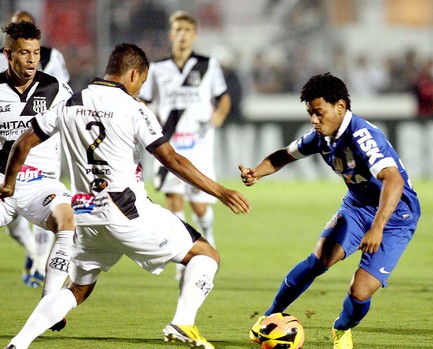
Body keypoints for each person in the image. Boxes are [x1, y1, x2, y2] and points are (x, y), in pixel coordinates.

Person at [2, 43, 251, 349]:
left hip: (85, 215)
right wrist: (221, 190)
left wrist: (9, 183)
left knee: (77, 289)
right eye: (141, 83)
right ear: (133, 74)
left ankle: (19, 343)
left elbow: (22, 143)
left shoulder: (69, 102)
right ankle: (182, 323)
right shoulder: (133, 108)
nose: (140, 90)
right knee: (206, 254)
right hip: (126, 210)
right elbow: (170, 158)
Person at [240, 73, 420, 349]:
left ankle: (342, 328)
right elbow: (284, 155)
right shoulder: (321, 137)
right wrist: (257, 173)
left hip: (395, 216)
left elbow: (393, 179)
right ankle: (269, 317)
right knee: (319, 259)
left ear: (341, 106)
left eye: (318, 113)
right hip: (357, 207)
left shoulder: (362, 136)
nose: (314, 120)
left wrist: (378, 227)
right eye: (310, 113)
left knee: (359, 293)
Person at [139, 12, 230, 277]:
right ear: (171, 34)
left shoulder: (207, 65)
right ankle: (184, 254)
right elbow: (142, 100)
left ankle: (208, 238)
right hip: (168, 144)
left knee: (200, 204)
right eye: (178, 30)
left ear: (194, 34)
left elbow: (223, 98)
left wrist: (220, 115)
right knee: (174, 200)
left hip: (199, 144)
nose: (182, 34)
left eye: (187, 30)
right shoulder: (157, 68)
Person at [0, 21, 75, 301]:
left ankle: (49, 299)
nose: (32, 60)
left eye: (35, 53)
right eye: (23, 53)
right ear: (8, 55)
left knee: (67, 221)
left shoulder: (55, 90)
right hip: (3, 183)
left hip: (41, 183)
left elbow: (77, 126)